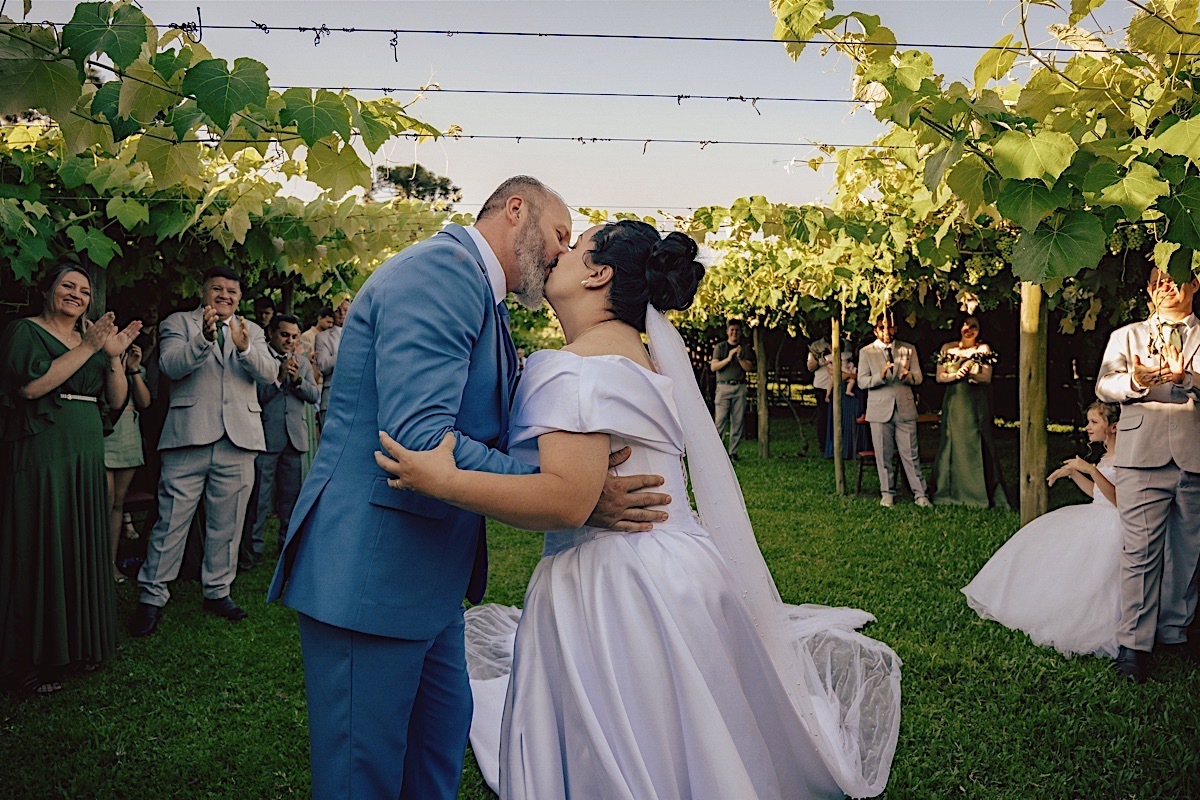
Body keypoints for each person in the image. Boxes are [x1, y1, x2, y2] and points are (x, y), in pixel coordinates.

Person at [376, 220, 902, 800]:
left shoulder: (572, 366)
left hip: (612, 586)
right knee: (691, 737)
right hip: (684, 569)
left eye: (575, 247)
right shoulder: (643, 359)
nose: (558, 252)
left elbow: (567, 501)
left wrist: (445, 481)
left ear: (598, 275)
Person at [268, 177, 669, 800]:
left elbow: (487, 427)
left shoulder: (482, 293)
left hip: (430, 579)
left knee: (435, 756)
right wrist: (565, 491)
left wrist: (576, 469)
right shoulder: (443, 273)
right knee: (361, 777)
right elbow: (420, 439)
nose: (564, 253)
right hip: (373, 572)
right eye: (560, 234)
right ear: (516, 210)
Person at [1, 265, 140, 695]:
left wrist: (112, 357)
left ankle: (76, 645)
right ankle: (26, 659)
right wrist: (91, 346)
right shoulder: (25, 331)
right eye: (67, 286)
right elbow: (30, 387)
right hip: (44, 450)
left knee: (77, 539)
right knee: (40, 538)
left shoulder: (90, 341)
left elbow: (115, 401)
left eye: (84, 290)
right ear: (47, 290)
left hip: (85, 450)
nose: (77, 295)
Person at [130, 266, 276, 637]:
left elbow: (269, 374)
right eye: (217, 288)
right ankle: (152, 595)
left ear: (239, 297)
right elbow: (170, 366)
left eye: (232, 291)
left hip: (239, 439)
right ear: (202, 290)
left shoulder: (252, 330)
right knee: (170, 520)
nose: (225, 295)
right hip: (188, 436)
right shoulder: (178, 322)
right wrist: (204, 340)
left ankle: (218, 591)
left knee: (228, 523)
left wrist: (244, 348)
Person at [1095, 267, 1200, 684]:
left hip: (1195, 454)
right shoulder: (1127, 336)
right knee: (1140, 551)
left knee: (1189, 551)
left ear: (1195, 284)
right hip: (1141, 456)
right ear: (1148, 290)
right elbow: (1104, 386)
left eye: (1175, 278)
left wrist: (1186, 378)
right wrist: (1135, 382)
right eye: (1158, 280)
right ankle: (1134, 645)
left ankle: (1174, 633)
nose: (1166, 286)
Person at [963, 402, 1122, 657]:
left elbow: (1117, 499)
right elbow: (1098, 494)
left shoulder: (1125, 457)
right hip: (1096, 513)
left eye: (1094, 422)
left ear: (1113, 427)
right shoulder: (1106, 456)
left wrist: (1090, 469)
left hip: (1113, 523)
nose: (1087, 427)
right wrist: (1073, 473)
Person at [239, 314, 319, 571]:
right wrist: (278, 378)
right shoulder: (260, 359)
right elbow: (256, 396)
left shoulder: (302, 363)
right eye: (285, 335)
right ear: (271, 333)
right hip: (265, 438)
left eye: (294, 336)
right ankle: (252, 550)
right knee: (259, 498)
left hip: (295, 439)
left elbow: (314, 395)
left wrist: (296, 381)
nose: (290, 341)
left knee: (291, 497)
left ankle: (288, 546)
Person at [929, 315, 1010, 508]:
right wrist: (956, 375)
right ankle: (947, 492)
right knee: (952, 442)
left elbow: (986, 377)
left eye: (974, 326)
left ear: (980, 330)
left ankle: (979, 492)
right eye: (965, 325)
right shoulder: (948, 348)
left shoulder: (983, 349)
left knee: (976, 442)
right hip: (954, 402)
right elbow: (940, 377)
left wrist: (972, 375)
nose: (969, 329)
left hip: (975, 402)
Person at [857, 314, 930, 508]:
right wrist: (879, 376)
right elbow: (862, 382)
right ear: (875, 330)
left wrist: (908, 376)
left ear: (896, 328)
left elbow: (919, 378)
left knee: (911, 453)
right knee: (883, 454)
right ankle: (887, 493)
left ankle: (920, 494)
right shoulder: (866, 352)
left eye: (890, 327)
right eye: (882, 328)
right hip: (879, 408)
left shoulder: (908, 349)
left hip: (904, 407)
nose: (886, 331)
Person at [105, 331, 152, 583]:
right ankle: (94, 564)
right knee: (104, 501)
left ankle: (111, 564)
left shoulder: (137, 369)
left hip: (129, 437)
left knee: (118, 504)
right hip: (106, 435)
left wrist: (133, 370)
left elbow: (145, 402)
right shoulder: (100, 364)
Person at [709, 319, 755, 461]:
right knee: (720, 420)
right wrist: (729, 358)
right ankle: (717, 452)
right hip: (723, 387)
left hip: (739, 387)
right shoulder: (720, 347)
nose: (734, 333)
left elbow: (749, 368)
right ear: (727, 331)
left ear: (740, 332)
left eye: (737, 330)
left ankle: (733, 452)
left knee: (737, 421)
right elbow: (714, 367)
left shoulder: (745, 348)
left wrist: (739, 357)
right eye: (732, 330)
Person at [824, 338, 868, 460]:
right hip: (840, 390)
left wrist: (848, 375)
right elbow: (834, 374)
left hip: (854, 392)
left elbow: (857, 376)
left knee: (852, 419)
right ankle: (838, 449)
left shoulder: (851, 361)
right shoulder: (832, 361)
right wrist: (848, 375)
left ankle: (855, 448)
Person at [314, 297, 350, 427]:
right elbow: (323, 365)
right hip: (332, 397)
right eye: (337, 310)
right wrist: (345, 353)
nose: (342, 314)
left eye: (345, 310)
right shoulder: (322, 337)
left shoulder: (364, 334)